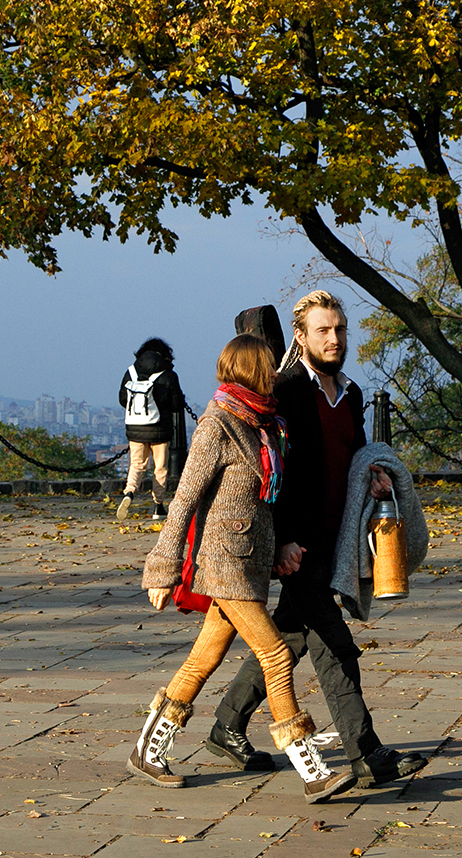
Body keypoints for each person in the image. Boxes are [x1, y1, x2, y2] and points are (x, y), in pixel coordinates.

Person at [208, 290, 428, 788]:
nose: (334, 338)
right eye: (323, 330)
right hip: (295, 545)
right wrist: (281, 540)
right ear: (301, 337)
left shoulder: (350, 394)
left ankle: (226, 723)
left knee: (288, 635)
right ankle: (366, 753)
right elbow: (264, 472)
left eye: (341, 329)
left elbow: (345, 459)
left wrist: (371, 478)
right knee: (334, 644)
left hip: (333, 537)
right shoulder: (283, 391)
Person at [136, 333, 351, 802]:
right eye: (268, 366)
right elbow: (185, 498)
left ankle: (149, 749)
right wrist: (162, 568)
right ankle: (308, 765)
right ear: (251, 369)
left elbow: (263, 502)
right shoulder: (218, 423)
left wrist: (277, 548)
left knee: (204, 658)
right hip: (223, 564)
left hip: (250, 562)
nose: (275, 373)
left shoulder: (263, 422)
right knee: (275, 655)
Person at [118, 338, 184, 521]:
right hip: (160, 429)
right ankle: (158, 506)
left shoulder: (130, 372)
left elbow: (123, 399)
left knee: (137, 464)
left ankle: (129, 492)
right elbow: (176, 404)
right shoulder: (168, 374)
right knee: (160, 468)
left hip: (136, 427)